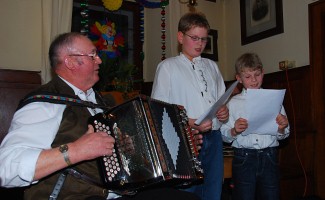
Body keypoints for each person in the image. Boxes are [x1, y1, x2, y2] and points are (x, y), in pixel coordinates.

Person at [0, 32, 201, 200]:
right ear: (70, 62)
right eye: (92, 55)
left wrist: (176, 142)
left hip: (118, 192)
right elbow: (6, 169)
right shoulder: (45, 103)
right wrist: (76, 150)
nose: (100, 60)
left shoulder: (101, 103)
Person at [151, 12, 229, 200]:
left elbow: (221, 101)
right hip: (186, 140)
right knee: (187, 193)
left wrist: (224, 113)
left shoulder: (212, 66)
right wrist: (189, 122)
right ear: (180, 37)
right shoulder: (167, 67)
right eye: (194, 38)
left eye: (203, 39)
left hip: (215, 138)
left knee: (213, 189)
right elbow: (158, 110)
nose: (200, 43)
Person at [220, 52, 290, 200]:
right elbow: (224, 136)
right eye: (248, 76)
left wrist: (282, 127)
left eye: (257, 75)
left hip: (269, 156)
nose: (253, 80)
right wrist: (234, 130)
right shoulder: (233, 103)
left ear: (263, 73)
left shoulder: (274, 100)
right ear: (238, 78)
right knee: (243, 196)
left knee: (271, 195)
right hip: (244, 157)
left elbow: (284, 134)